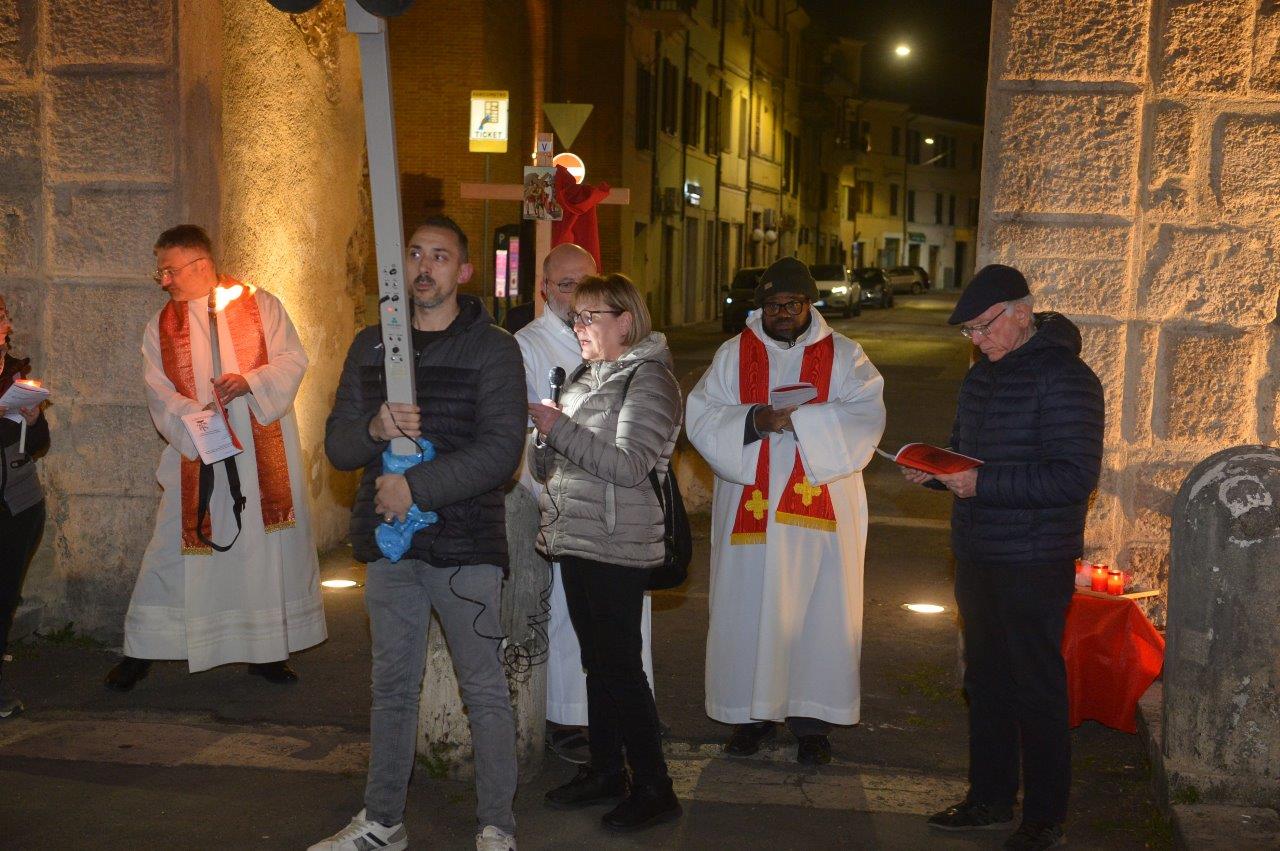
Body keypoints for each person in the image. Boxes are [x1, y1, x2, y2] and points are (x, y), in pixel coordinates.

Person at [316, 216, 526, 851]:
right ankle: (383, 821)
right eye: (415, 254)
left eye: (440, 256)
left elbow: (501, 452)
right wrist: (375, 430)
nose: (425, 267)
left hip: (466, 547)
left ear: (463, 270)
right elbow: (338, 446)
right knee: (391, 690)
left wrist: (418, 487)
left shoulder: (492, 349)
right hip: (389, 545)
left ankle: (496, 827)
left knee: (483, 689)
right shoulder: (371, 346)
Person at [907, 264, 1103, 851]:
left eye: (984, 327)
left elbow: (1073, 476)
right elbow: (965, 453)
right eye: (969, 331)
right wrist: (936, 471)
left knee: (1035, 686)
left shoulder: (1066, 377)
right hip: (978, 552)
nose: (977, 339)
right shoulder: (980, 376)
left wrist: (981, 485)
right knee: (985, 681)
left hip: (1034, 558)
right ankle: (988, 799)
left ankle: (1044, 817)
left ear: (1022, 312)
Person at [105, 225, 325, 691]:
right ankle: (143, 648)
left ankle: (266, 653)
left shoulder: (261, 304)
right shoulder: (161, 326)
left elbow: (292, 359)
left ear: (201, 264)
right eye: (161, 271)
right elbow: (157, 389)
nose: (163, 280)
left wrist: (250, 382)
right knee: (172, 546)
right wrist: (196, 414)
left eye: (169, 270)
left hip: (260, 452)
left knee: (262, 551)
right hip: (198, 450)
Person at [686, 256, 886, 765]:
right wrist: (757, 420)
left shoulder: (846, 356)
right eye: (773, 304)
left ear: (809, 304)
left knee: (820, 613)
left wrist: (803, 422)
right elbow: (702, 416)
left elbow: (867, 415)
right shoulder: (733, 355)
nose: (782, 313)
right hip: (750, 512)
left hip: (823, 514)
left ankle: (811, 723)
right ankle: (750, 718)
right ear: (761, 307)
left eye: (792, 304)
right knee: (748, 610)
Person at [528, 274, 682, 833]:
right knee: (598, 663)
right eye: (576, 317)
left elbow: (630, 466)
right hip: (576, 537)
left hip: (618, 543)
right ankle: (606, 771)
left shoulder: (650, 379)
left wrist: (560, 429)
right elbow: (548, 467)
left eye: (590, 316)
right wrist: (544, 439)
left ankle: (655, 787)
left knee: (620, 667)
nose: (579, 326)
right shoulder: (583, 377)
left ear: (625, 321)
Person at [513, 243, 657, 763]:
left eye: (586, 287)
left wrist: (561, 431)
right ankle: (573, 722)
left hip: (618, 520)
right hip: (568, 511)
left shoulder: (637, 365)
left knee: (618, 646)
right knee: (579, 635)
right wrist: (548, 469)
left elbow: (630, 455)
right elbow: (531, 439)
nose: (576, 301)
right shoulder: (529, 346)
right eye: (566, 286)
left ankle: (633, 743)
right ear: (544, 289)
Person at [0, 295, 49, 718]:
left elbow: (37, 445)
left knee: (4, 597)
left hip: (18, 504)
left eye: (3, 316)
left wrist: (33, 420)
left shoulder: (15, 373)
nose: (5, 325)